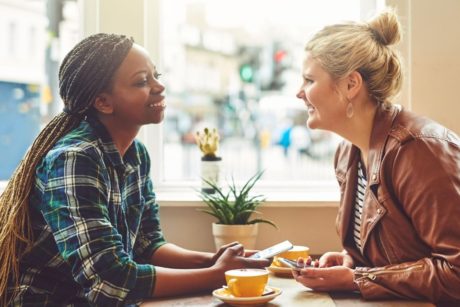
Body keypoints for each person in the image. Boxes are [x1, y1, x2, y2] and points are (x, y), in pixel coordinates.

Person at [0, 33, 270, 306]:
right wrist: (216, 275)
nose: (159, 87)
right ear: (103, 102)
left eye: (156, 75)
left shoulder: (136, 155)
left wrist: (212, 260)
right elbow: (108, 281)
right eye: (142, 81)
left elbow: (146, 245)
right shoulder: (74, 159)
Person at [293, 9, 460, 305]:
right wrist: (350, 262)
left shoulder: (419, 151)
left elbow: (457, 273)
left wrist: (358, 279)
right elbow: (396, 255)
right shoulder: (348, 152)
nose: (299, 93)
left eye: (309, 80)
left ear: (350, 85)